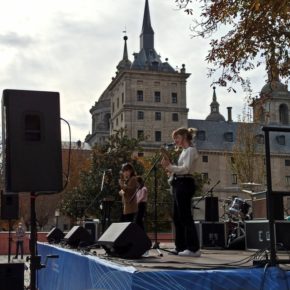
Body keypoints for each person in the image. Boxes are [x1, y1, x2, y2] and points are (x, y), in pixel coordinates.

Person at [161, 127, 201, 257]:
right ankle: (181, 246)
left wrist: (170, 167)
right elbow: (180, 170)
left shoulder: (190, 150)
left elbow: (186, 169)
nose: (175, 141)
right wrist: (170, 170)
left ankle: (193, 248)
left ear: (184, 136)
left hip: (185, 183)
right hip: (179, 183)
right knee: (178, 217)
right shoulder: (184, 151)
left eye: (177, 138)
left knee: (185, 216)